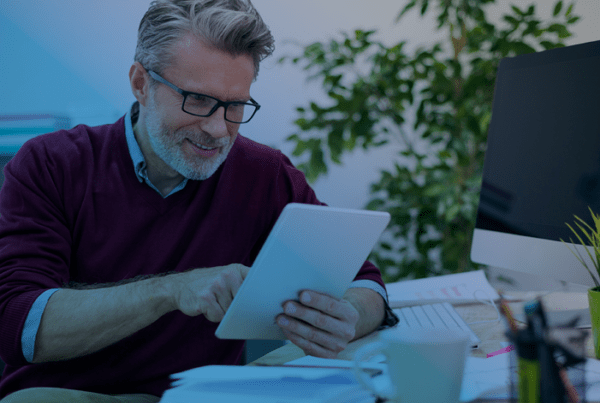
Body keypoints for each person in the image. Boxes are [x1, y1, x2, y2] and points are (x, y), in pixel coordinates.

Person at [0, 0, 396, 401]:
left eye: (235, 105)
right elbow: (20, 324)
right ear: (141, 83)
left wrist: (351, 316)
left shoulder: (263, 173)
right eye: (199, 101)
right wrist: (172, 291)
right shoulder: (51, 164)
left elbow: (363, 280)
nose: (218, 129)